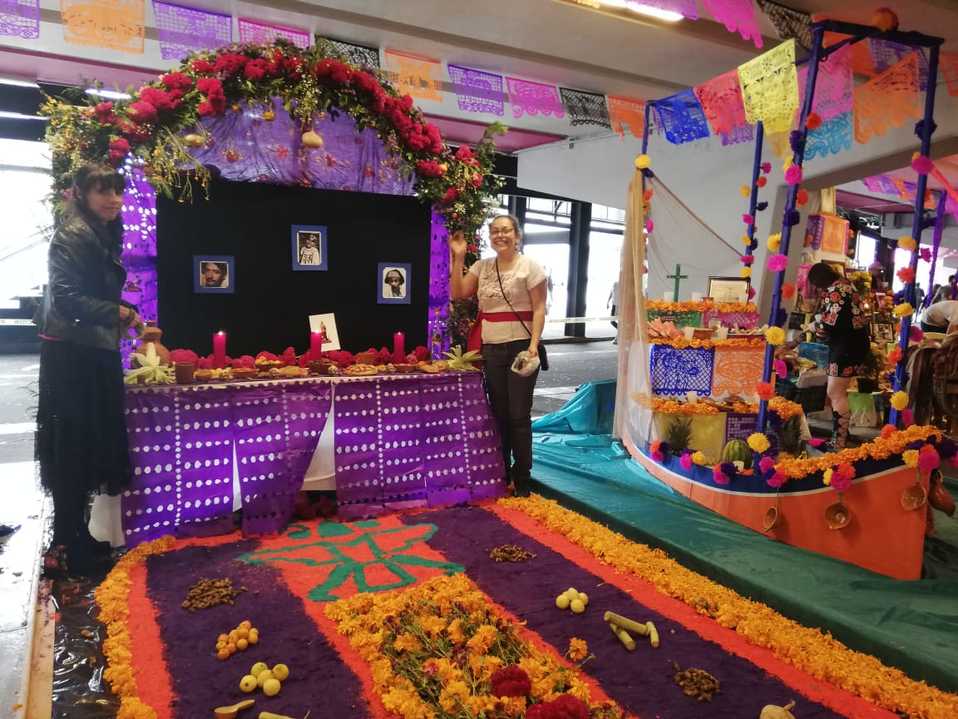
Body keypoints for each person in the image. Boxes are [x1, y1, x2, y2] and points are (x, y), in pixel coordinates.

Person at [35, 164, 140, 575]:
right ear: (81, 193)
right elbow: (66, 299)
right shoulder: (73, 234)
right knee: (73, 449)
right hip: (73, 357)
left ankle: (76, 537)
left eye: (117, 191)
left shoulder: (98, 231)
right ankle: (65, 547)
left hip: (89, 349)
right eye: (103, 191)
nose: (114, 200)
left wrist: (119, 312)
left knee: (84, 446)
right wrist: (117, 312)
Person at [449, 215, 547, 497]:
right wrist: (458, 258)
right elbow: (458, 293)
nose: (500, 235)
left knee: (519, 414)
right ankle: (501, 471)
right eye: (494, 231)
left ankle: (523, 475)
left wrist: (533, 345)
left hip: (521, 348)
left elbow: (539, 308)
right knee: (500, 414)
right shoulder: (482, 266)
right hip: (491, 348)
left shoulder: (530, 266)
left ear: (517, 235)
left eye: (505, 230)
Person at [808, 262, 871, 451]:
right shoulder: (846, 285)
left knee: (835, 392)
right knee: (837, 391)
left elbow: (829, 323)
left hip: (846, 346)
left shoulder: (837, 291)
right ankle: (841, 436)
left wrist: (812, 327)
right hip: (852, 344)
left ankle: (839, 441)